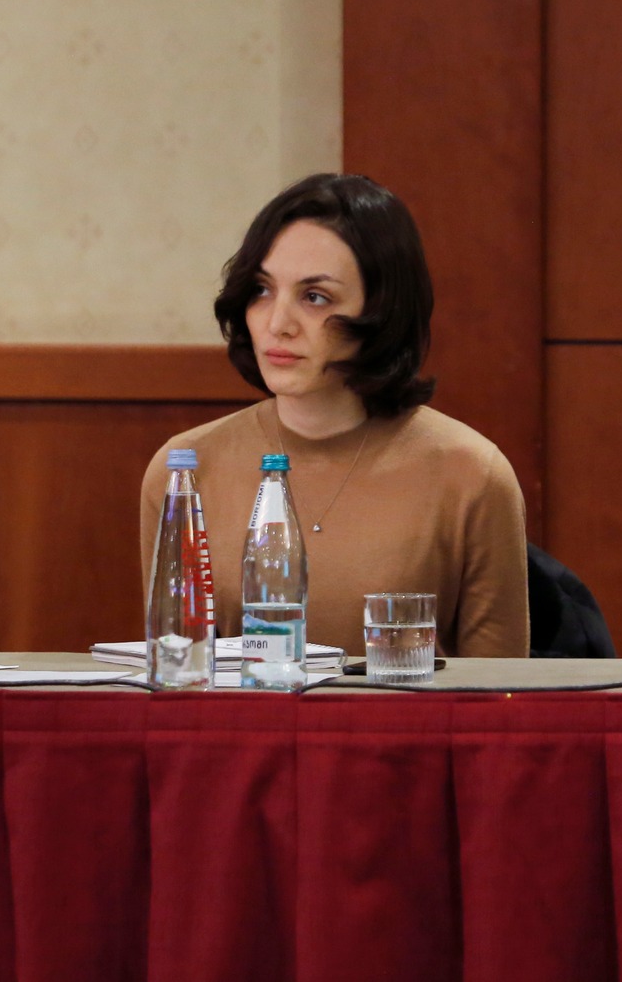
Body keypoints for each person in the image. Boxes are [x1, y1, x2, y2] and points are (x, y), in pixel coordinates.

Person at [140, 174, 529, 656]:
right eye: (261, 290)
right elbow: (176, 671)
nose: (278, 323)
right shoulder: (184, 468)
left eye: (315, 297)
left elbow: (500, 690)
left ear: (381, 311)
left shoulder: (471, 474)